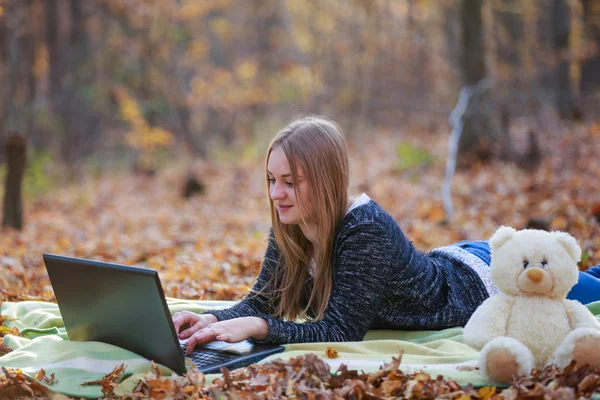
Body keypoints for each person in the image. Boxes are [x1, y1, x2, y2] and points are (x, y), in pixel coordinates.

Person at [173, 115, 600, 353]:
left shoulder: (363, 229)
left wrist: (259, 328)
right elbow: (262, 299)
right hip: (453, 258)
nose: (276, 193)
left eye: (290, 181)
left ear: (324, 179)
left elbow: (339, 331)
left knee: (591, 286)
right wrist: (212, 320)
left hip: (484, 282)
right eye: (271, 179)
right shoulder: (292, 225)